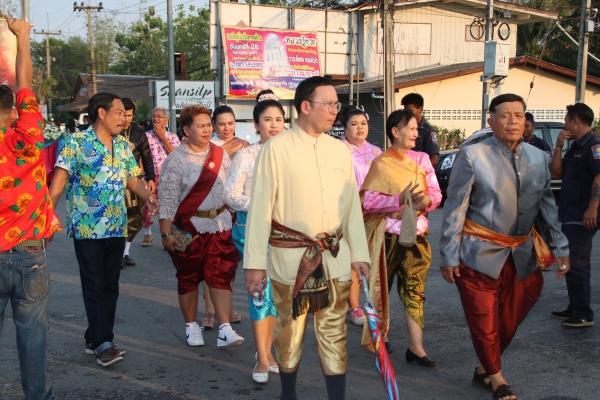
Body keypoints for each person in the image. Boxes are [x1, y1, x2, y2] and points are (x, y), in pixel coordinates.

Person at [244, 76, 370, 400]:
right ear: (305, 106)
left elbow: (351, 207)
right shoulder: (276, 149)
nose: (334, 110)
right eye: (327, 104)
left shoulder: (339, 151)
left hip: (334, 259)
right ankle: (288, 395)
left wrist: (360, 254)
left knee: (334, 334)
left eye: (336, 104)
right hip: (291, 261)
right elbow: (260, 208)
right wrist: (255, 264)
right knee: (289, 334)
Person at [439, 93, 570, 400]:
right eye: (505, 115)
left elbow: (547, 208)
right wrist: (449, 255)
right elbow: (455, 208)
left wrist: (560, 248)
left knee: (511, 317)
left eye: (519, 115)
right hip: (477, 254)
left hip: (521, 254)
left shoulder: (538, 157)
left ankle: (485, 368)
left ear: (525, 121)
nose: (513, 121)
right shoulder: (472, 155)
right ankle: (497, 379)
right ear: (491, 121)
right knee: (484, 321)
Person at [49, 92, 159, 367]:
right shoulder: (75, 143)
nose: (124, 119)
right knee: (94, 285)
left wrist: (147, 196)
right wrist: (46, 218)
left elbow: (131, 178)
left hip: (116, 226)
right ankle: (103, 342)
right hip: (87, 229)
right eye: (119, 113)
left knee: (110, 285)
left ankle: (94, 337)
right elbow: (58, 182)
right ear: (101, 112)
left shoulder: (122, 145)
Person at [0, 16, 62, 400]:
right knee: (33, 338)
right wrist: (22, 38)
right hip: (29, 254)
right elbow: (25, 83)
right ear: (13, 113)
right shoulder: (29, 135)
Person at [158, 105, 243, 349]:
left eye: (209, 125)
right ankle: (191, 326)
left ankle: (225, 328)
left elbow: (230, 187)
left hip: (219, 225)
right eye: (201, 126)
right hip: (188, 228)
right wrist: (166, 232)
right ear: (186, 130)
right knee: (188, 278)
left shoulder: (219, 154)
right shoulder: (175, 160)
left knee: (221, 275)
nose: (207, 130)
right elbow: (167, 199)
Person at [360, 109, 442, 365]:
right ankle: (380, 338)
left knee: (415, 290)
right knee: (380, 290)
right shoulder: (381, 163)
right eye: (412, 128)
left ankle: (416, 348)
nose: (417, 133)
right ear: (396, 131)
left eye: (417, 129)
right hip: (387, 237)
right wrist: (399, 199)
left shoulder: (422, 159)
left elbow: (436, 193)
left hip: (416, 235)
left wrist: (426, 200)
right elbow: (369, 201)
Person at [224, 90, 285, 383]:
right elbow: (231, 195)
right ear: (256, 124)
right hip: (251, 228)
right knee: (260, 292)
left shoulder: (291, 155)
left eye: (279, 119)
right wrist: (262, 205)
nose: (274, 124)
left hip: (286, 232)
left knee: (278, 296)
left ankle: (269, 350)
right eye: (267, 119)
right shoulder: (246, 155)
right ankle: (261, 357)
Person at [550, 103, 599, 327]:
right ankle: (575, 305)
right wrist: (558, 147)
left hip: (584, 213)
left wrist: (593, 207)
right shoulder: (575, 147)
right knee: (570, 258)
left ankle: (583, 313)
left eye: (566, 120)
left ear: (576, 121)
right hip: (571, 212)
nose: (565, 124)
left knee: (578, 262)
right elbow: (556, 172)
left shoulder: (594, 146)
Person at [202, 105, 249, 329]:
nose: (227, 128)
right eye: (221, 124)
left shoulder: (244, 148)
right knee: (209, 260)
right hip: (210, 209)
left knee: (228, 261)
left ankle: (227, 307)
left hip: (235, 210)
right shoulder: (206, 146)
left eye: (231, 123)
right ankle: (209, 309)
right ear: (214, 125)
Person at [339, 106, 381, 326]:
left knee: (371, 259)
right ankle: (354, 306)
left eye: (363, 123)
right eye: (354, 124)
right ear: (344, 127)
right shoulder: (338, 151)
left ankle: (372, 303)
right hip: (347, 214)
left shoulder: (376, 152)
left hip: (373, 215)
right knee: (352, 260)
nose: (360, 128)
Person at [120, 98, 156, 267]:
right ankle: (117, 254)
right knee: (118, 218)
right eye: (123, 114)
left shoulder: (139, 132)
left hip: (134, 181)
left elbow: (147, 156)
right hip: (115, 182)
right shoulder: (111, 130)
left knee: (134, 217)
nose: (125, 119)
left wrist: (151, 178)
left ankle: (125, 252)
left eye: (129, 115)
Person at [141, 107, 180, 247]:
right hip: (151, 176)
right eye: (154, 116)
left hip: (169, 177)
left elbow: (176, 156)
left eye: (159, 116)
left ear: (166, 120)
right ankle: (147, 233)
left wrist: (163, 138)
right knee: (149, 205)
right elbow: (141, 157)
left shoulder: (172, 137)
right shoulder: (145, 136)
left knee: (168, 206)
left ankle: (167, 236)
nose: (156, 119)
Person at [401, 93, 439, 167]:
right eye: (405, 111)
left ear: (420, 109)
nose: (407, 114)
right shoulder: (403, 128)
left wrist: (416, 170)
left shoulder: (428, 131)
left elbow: (434, 160)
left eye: (410, 110)